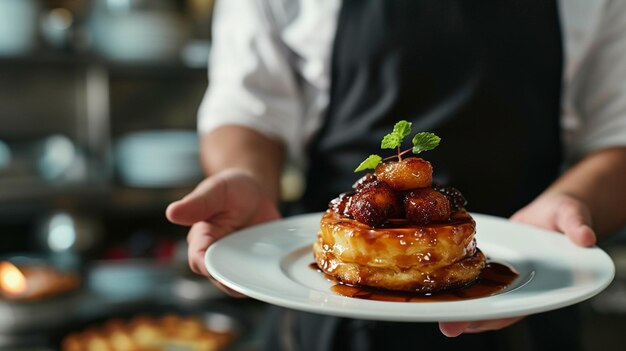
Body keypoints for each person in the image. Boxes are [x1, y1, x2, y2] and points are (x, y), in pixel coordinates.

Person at [167, 0, 626, 349]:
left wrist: (575, 201)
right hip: (323, 312)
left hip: (531, 292)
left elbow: (618, 134)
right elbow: (248, 109)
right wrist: (246, 176)